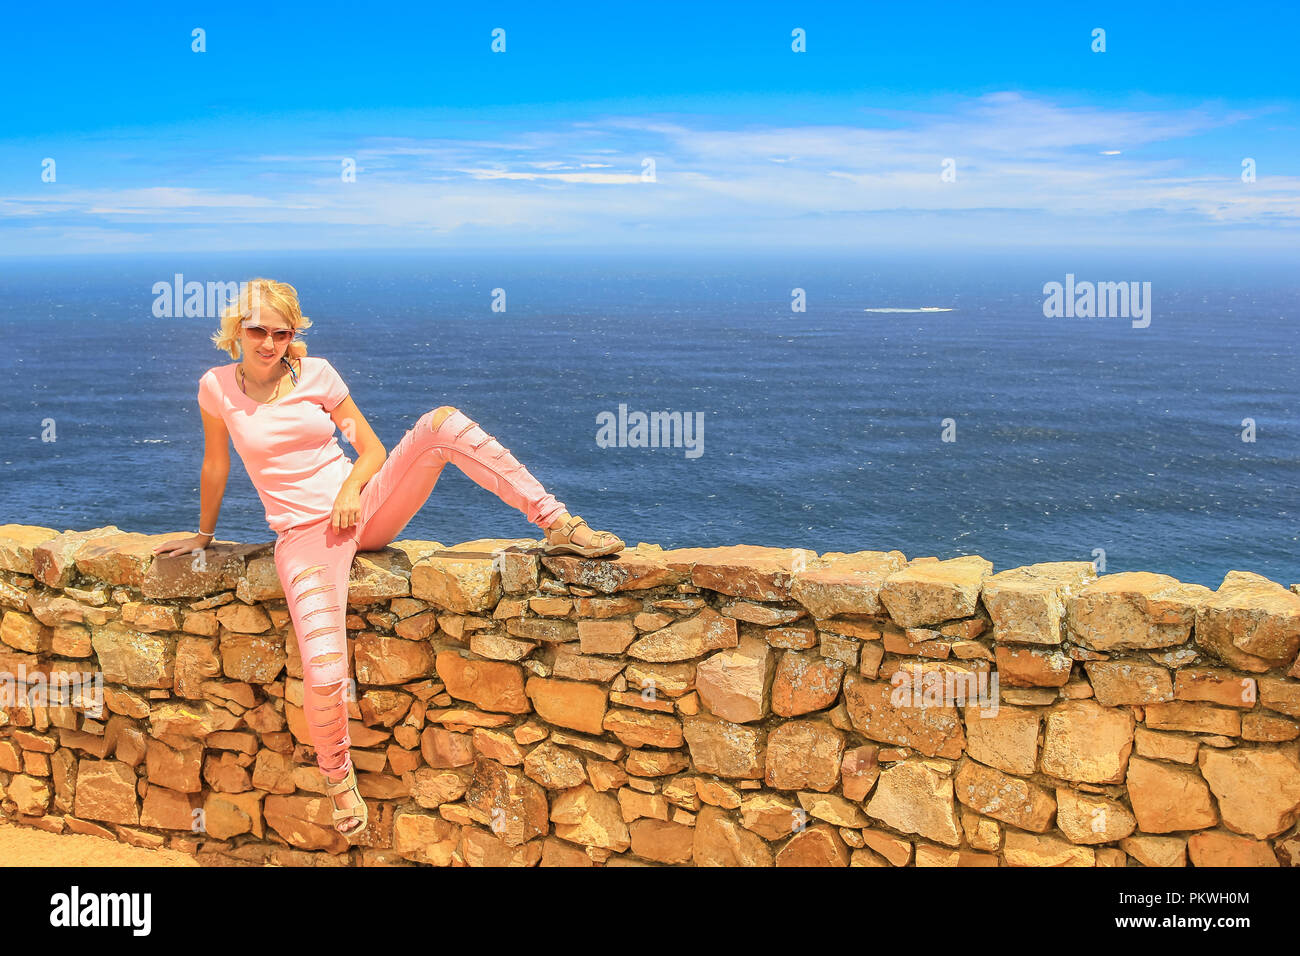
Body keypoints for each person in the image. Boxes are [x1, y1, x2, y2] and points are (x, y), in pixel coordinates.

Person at [153, 278, 624, 841]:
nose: (269, 342)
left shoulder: (317, 375)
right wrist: (204, 534)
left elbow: (371, 448)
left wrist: (352, 488)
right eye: (258, 329)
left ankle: (558, 523)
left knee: (441, 424)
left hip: (362, 511)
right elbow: (215, 465)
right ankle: (338, 780)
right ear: (236, 329)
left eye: (282, 332)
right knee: (324, 669)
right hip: (305, 539)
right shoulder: (215, 389)